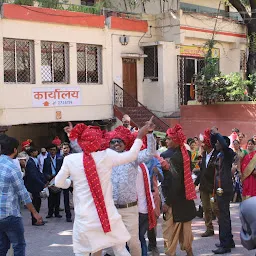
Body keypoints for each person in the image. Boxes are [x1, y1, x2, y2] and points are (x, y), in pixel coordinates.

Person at [55, 119, 154, 256]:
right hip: (108, 215)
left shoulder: (71, 160)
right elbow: (131, 154)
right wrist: (139, 136)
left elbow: (59, 183)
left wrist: (69, 183)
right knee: (120, 250)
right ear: (101, 141)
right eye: (113, 141)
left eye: (119, 141)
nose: (116, 143)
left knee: (84, 251)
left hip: (86, 218)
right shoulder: (107, 156)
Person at [0, 136, 43, 256]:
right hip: (10, 214)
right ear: (15, 150)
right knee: (18, 245)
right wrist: (35, 213)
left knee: (2, 247)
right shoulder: (12, 167)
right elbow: (22, 192)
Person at [161, 124, 196, 256]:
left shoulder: (173, 157)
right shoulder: (186, 153)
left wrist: (167, 202)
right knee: (186, 231)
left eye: (169, 139)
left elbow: (175, 182)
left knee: (169, 233)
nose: (167, 141)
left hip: (175, 201)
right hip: (186, 198)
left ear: (176, 140)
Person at [210, 127, 236, 254]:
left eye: (218, 142)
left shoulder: (227, 153)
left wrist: (217, 133)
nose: (215, 144)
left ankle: (224, 245)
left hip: (224, 188)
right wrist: (212, 134)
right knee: (224, 215)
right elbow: (212, 142)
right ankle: (229, 240)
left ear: (223, 144)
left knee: (223, 217)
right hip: (220, 187)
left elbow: (224, 145)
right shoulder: (219, 153)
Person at [196, 129, 219, 237]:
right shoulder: (204, 154)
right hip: (204, 186)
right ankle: (209, 228)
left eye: (204, 143)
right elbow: (202, 171)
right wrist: (196, 183)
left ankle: (223, 226)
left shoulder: (217, 154)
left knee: (215, 207)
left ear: (209, 144)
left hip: (213, 187)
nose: (202, 145)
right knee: (206, 208)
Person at [24, 147, 47, 226]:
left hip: (36, 185)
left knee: (38, 202)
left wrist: (44, 179)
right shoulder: (30, 162)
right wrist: (42, 183)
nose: (37, 152)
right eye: (35, 151)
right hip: (33, 185)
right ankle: (35, 220)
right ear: (31, 153)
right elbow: (34, 176)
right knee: (36, 203)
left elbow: (38, 173)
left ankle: (37, 218)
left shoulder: (34, 160)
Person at [43, 144, 63, 218]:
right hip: (50, 180)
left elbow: (62, 169)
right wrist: (47, 177)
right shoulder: (46, 160)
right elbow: (44, 171)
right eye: (51, 150)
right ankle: (50, 213)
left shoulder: (60, 159)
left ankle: (57, 213)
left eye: (54, 150)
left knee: (57, 196)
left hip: (58, 179)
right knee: (50, 198)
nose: (52, 151)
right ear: (49, 151)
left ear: (56, 151)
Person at [61, 142, 72, 222]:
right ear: (62, 149)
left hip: (73, 180)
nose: (65, 149)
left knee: (78, 198)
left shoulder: (73, 157)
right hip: (65, 181)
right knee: (66, 199)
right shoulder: (59, 158)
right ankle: (68, 216)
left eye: (67, 148)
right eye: (64, 148)